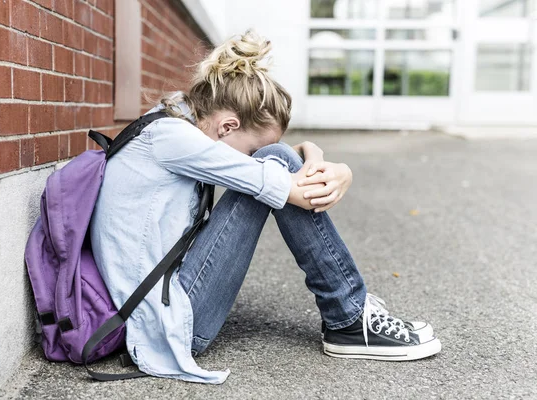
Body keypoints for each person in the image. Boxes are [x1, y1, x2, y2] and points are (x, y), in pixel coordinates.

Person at [89, 30, 441, 384]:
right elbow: (284, 180)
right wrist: (337, 170)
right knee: (274, 163)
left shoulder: (177, 118)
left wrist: (320, 161)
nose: (251, 159)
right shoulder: (174, 139)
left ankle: (349, 312)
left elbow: (282, 167)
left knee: (275, 160)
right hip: (167, 327)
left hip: (158, 304)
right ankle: (348, 317)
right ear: (228, 125)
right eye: (249, 151)